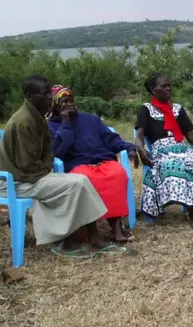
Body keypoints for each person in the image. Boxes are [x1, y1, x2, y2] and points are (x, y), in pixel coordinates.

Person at [0, 75, 123, 258]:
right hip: (18, 182)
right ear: (30, 95)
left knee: (82, 180)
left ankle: (94, 238)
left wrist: (47, 167)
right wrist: (47, 171)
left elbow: (49, 151)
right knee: (72, 185)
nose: (50, 98)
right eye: (45, 94)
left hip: (34, 175)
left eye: (50, 93)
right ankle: (66, 242)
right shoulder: (24, 122)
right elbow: (28, 165)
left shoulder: (37, 116)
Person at [48, 85, 138, 242]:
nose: (69, 104)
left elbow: (111, 139)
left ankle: (116, 228)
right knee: (88, 179)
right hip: (77, 165)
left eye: (71, 100)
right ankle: (92, 231)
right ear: (55, 106)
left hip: (103, 160)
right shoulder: (52, 126)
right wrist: (66, 123)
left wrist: (129, 148)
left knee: (117, 173)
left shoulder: (90, 119)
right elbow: (58, 150)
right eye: (64, 101)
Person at [135, 73, 193, 229]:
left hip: (182, 148)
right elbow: (139, 134)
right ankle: (191, 212)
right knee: (175, 166)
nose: (169, 89)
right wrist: (140, 149)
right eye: (164, 86)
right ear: (153, 90)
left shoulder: (178, 109)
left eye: (169, 85)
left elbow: (191, 136)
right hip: (161, 152)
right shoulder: (145, 110)